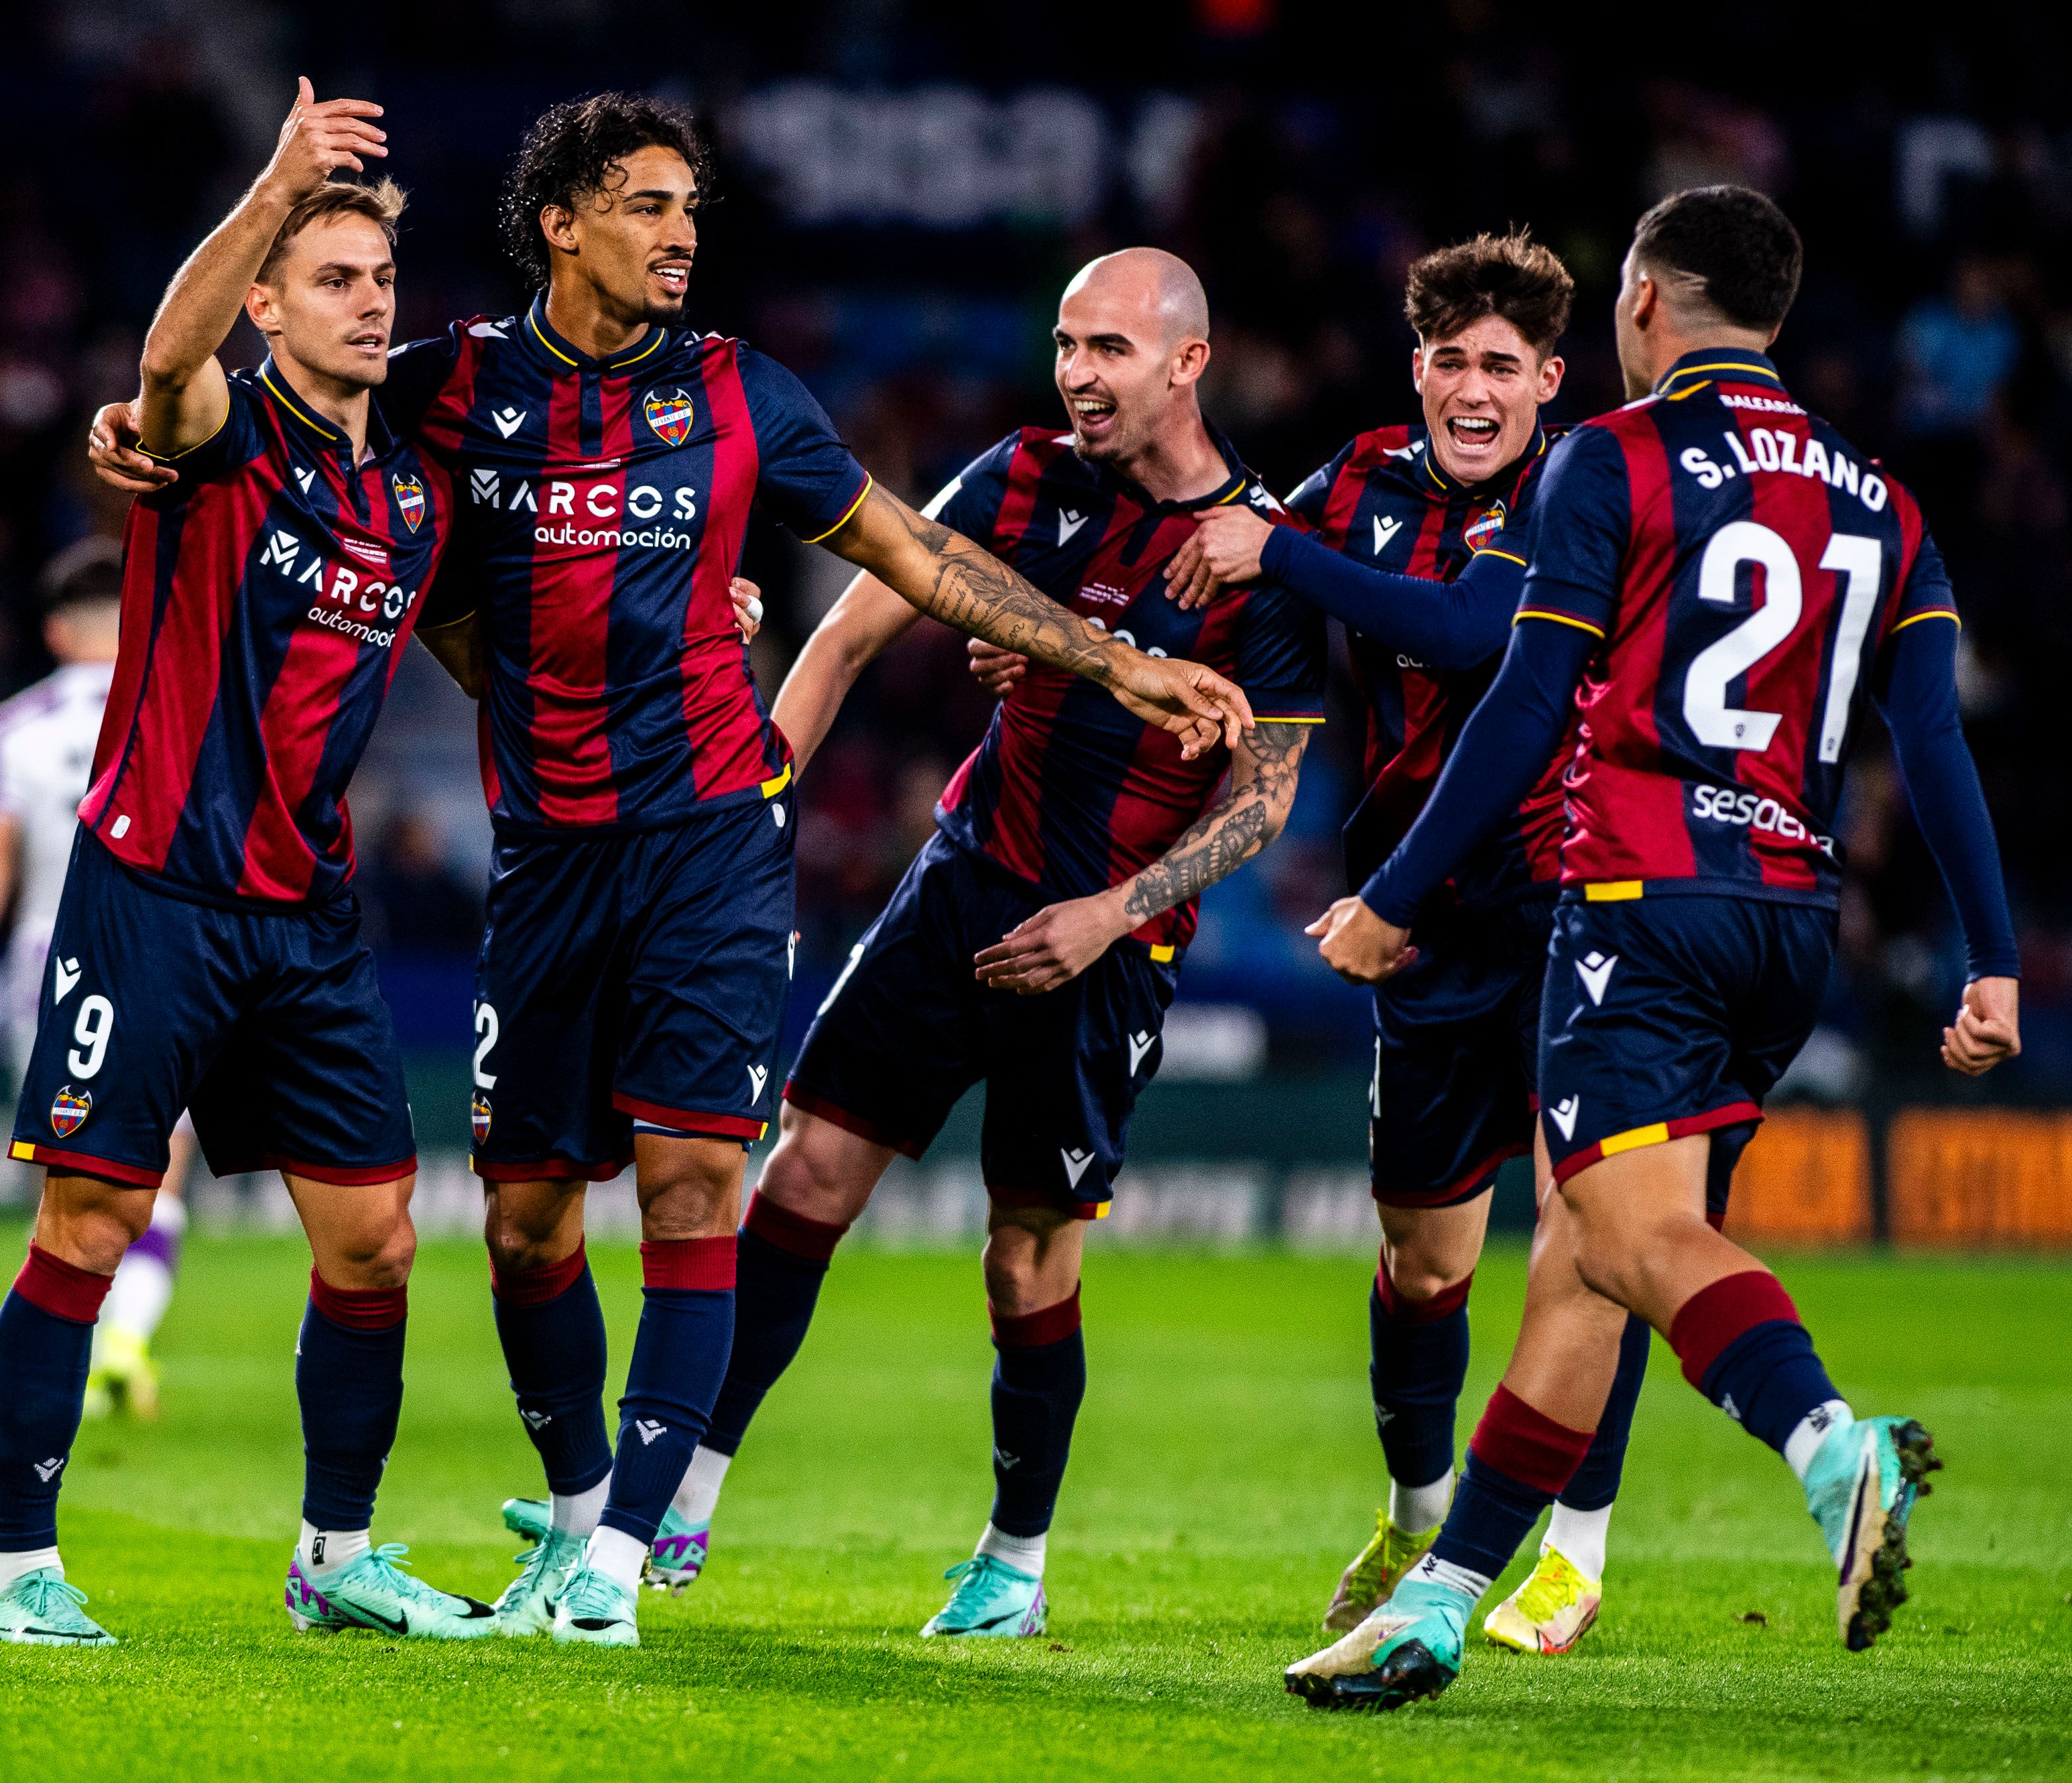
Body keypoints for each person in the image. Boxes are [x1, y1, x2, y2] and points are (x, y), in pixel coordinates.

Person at [509, 247, 1327, 1637]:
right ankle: (685, 1499)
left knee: (1026, 1258)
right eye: (1064, 344)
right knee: (802, 1175)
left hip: (1107, 940)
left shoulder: (1259, 557)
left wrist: (1111, 915)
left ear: (1188, 362)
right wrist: (744, 826)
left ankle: (1011, 1561)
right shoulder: (1014, 478)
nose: (1075, 373)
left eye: (1109, 349)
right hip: (959, 882)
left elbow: (1266, 795)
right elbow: (839, 641)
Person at [1286, 185, 2018, 1711]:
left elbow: (1521, 704)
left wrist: (1393, 897)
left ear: (1637, 303)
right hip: (1790, 922)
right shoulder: (1876, 492)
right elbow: (1931, 741)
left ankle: (1831, 1444)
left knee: (1621, 1238)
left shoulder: (1606, 459)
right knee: (1578, 1265)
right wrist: (1988, 957)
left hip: (1641, 903)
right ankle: (1436, 1602)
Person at [0, 81, 495, 1648]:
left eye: (379, 282)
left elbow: (498, 650)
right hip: (153, 891)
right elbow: (160, 362)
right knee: (84, 1223)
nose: (364, 304)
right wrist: (273, 189)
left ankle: (332, 1556)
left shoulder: (413, 492)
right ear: (268, 298)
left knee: (378, 1238)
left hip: (305, 912)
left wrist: (710, 632)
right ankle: (20, 1575)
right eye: (331, 279)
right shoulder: (212, 432)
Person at [1158, 233, 1656, 1653]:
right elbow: (1217, 573)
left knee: (1593, 1238)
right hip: (1420, 926)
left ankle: (1572, 1554)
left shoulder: (1582, 483)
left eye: (1501, 365)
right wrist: (1098, 650)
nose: (1472, 389)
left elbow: (1464, 631)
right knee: (1425, 1262)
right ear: (1417, 369)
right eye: (1448, 361)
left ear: (1548, 379)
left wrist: (1283, 550)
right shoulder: (1360, 480)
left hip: (1576, 904)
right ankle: (1417, 1502)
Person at [0, 540, 194, 1423]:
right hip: (167, 952)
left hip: (50, 962)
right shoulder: (183, 709)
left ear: (53, 629)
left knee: (63, 1177)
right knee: (161, 1169)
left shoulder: (11, 730)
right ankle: (127, 1342)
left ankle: (72, 1354)